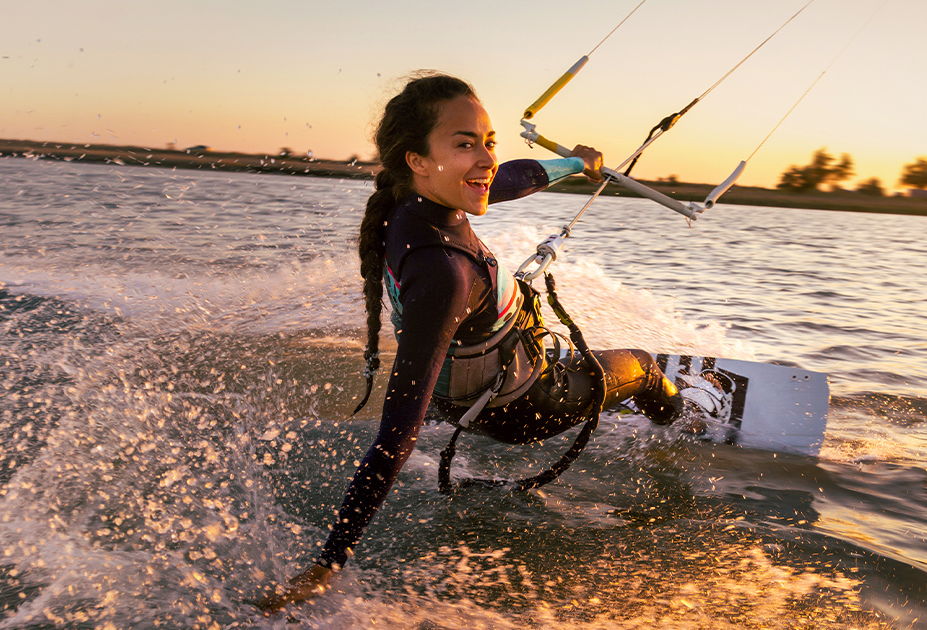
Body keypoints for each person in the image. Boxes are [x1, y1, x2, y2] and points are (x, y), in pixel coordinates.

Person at [257, 72, 685, 612]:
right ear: (418, 159)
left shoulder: (407, 205)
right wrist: (328, 564)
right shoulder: (445, 274)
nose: (486, 159)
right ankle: (682, 421)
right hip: (523, 409)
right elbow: (395, 434)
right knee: (643, 365)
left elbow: (509, 179)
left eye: (489, 142)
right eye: (465, 144)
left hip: (464, 397)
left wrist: (576, 164)